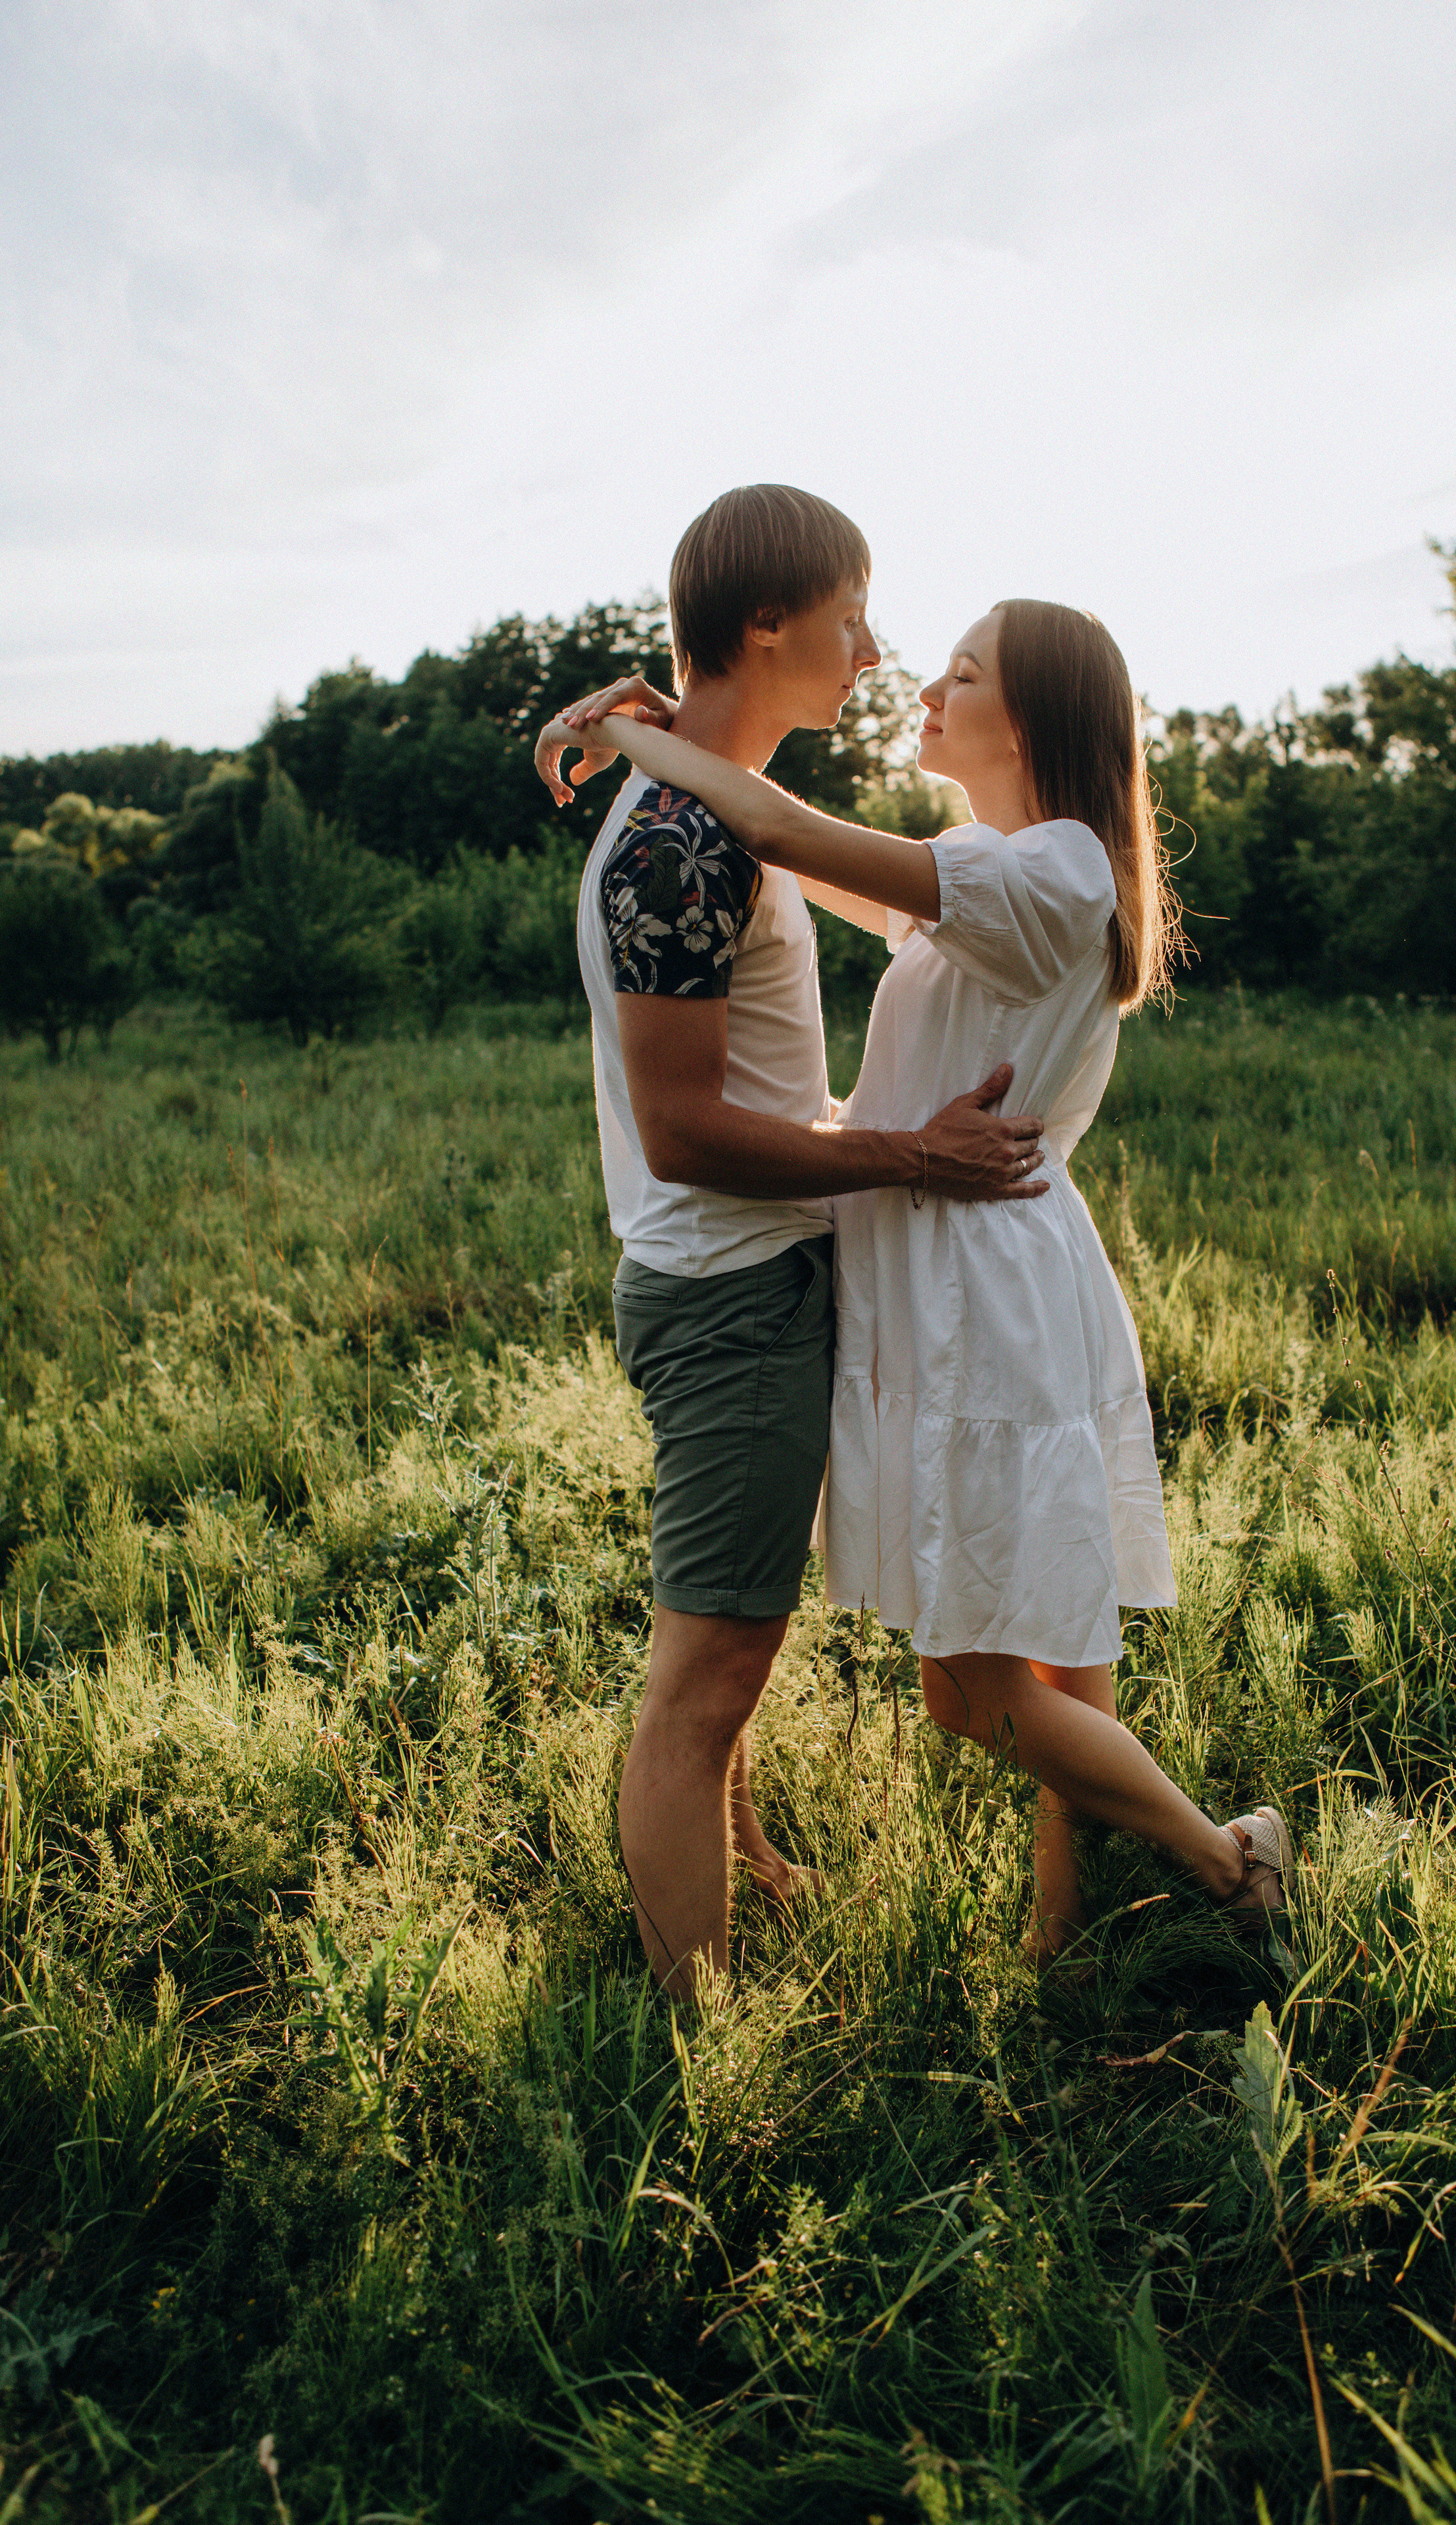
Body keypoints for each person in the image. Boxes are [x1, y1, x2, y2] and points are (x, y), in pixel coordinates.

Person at [540, 596, 1294, 1961]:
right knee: (1044, 1637)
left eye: (961, 672)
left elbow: (774, 836)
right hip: (969, 1263)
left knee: (979, 1680)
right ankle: (1058, 1944)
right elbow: (818, 865)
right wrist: (680, 738)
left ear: (1036, 718)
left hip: (980, 1288)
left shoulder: (1051, 871)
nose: (925, 688)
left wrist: (635, 737)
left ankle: (1225, 1863)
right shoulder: (1000, 864)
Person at [546, 485, 1052, 1999]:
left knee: (735, 1637)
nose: (872, 645)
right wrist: (915, 1158)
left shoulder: (714, 816)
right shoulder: (682, 847)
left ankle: (748, 1865)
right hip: (728, 1296)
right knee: (704, 1677)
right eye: (850, 610)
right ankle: (691, 2040)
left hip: (746, 1280)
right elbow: (685, 1129)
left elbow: (758, 1081)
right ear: (767, 621)